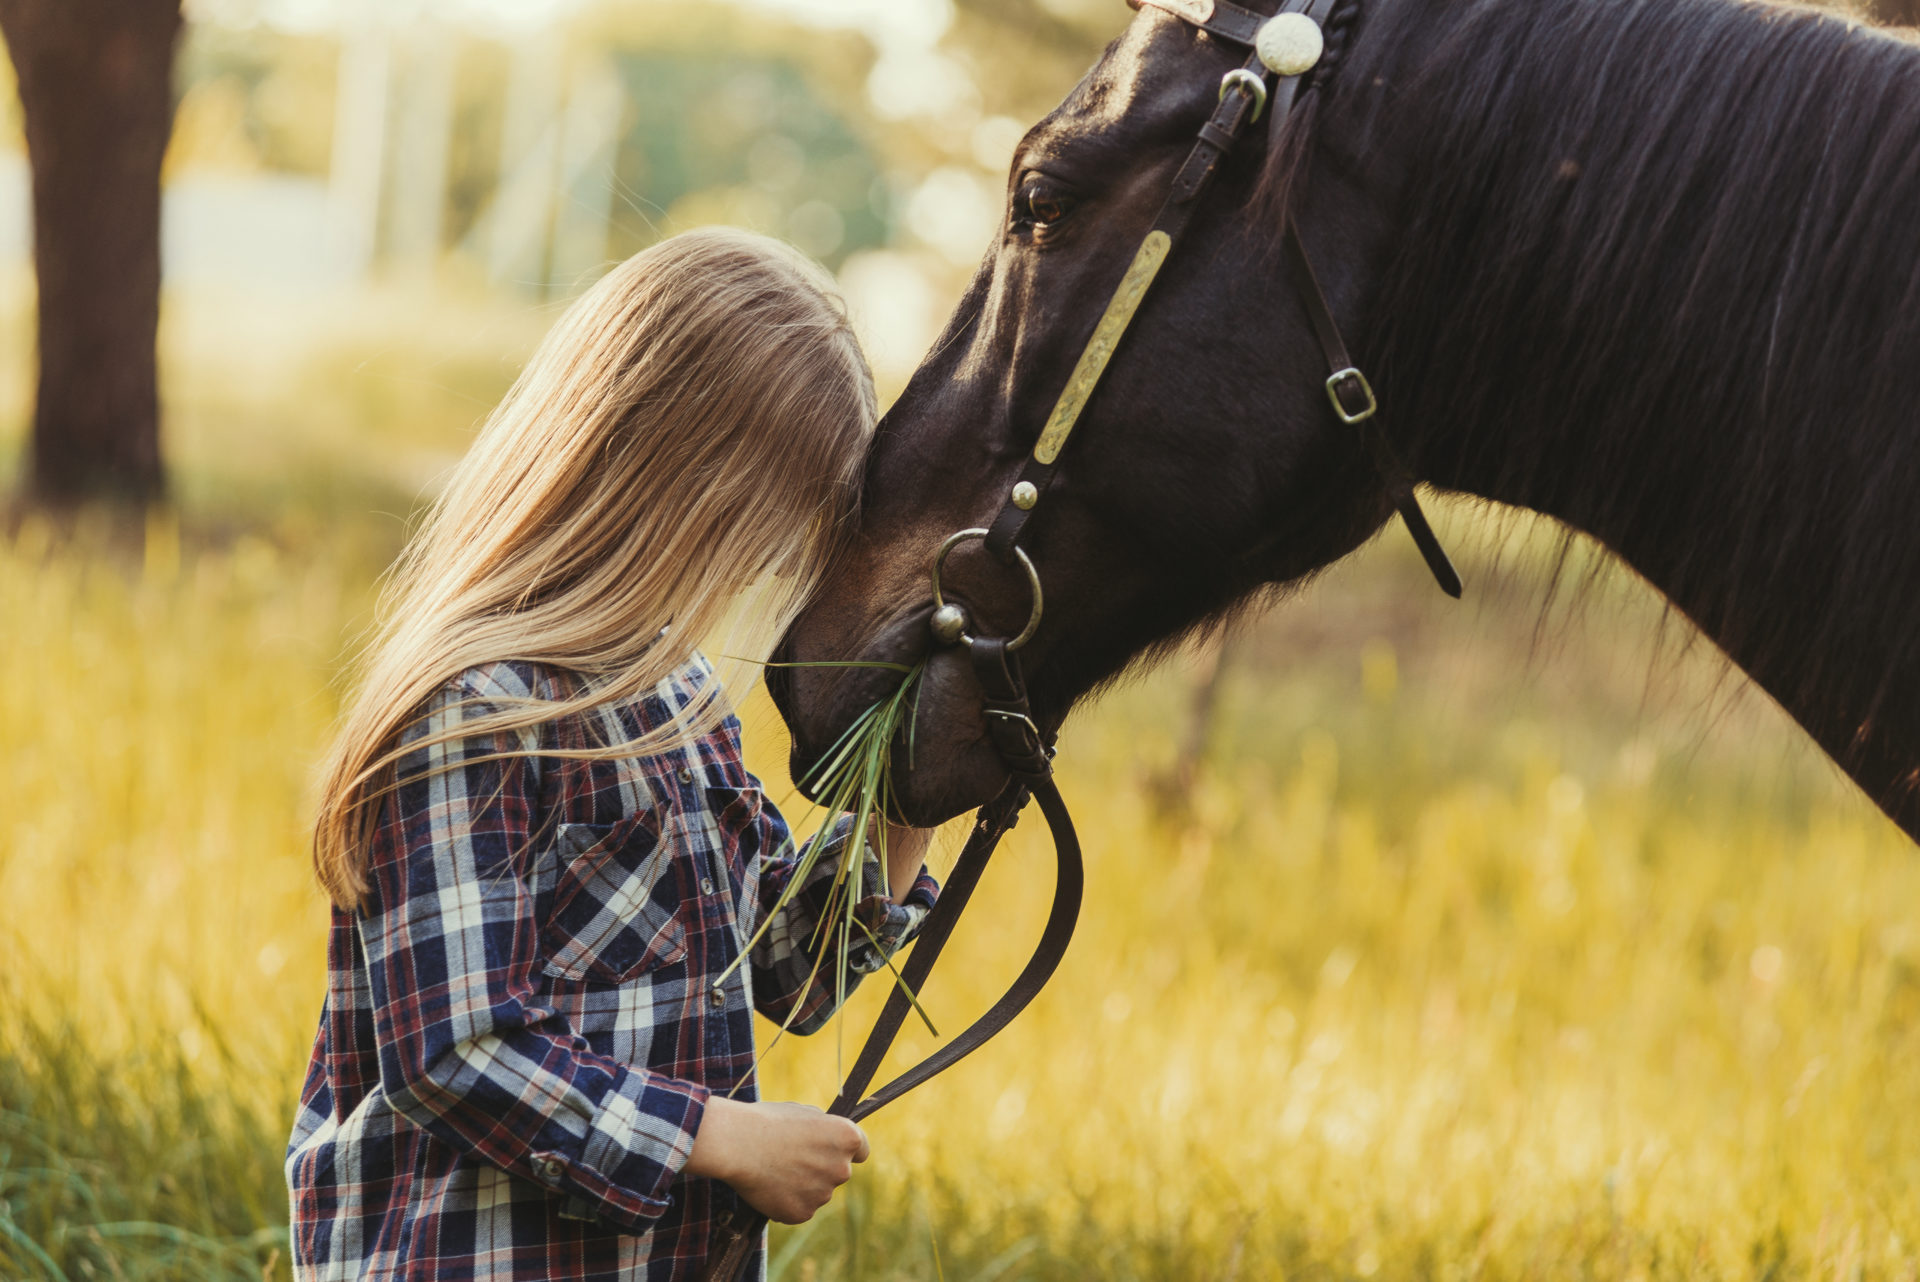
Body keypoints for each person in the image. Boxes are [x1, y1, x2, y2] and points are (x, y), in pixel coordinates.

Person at [287, 227, 936, 1282]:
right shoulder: (472, 714)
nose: (778, 560)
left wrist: (917, 786)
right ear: (674, 482)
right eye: (768, 518)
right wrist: (717, 1138)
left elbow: (784, 966)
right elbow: (457, 1051)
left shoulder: (677, 700)